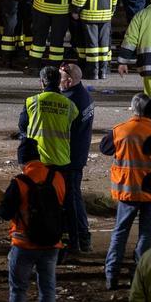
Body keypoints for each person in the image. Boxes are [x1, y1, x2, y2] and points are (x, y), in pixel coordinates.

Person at [0, 138, 66, 302]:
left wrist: (0, 205)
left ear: (22, 161)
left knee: (18, 290)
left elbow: (5, 213)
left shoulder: (19, 182)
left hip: (24, 245)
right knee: (48, 290)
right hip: (52, 244)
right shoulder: (58, 178)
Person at [101, 93, 151, 290]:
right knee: (146, 235)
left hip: (127, 192)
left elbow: (105, 148)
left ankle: (112, 274)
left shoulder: (120, 131)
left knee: (120, 232)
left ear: (133, 109)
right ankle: (139, 275)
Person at [58, 62, 94, 254]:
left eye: (61, 79)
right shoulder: (84, 95)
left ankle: (81, 236)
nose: (58, 82)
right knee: (73, 195)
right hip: (77, 154)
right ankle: (80, 235)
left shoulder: (71, 100)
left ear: (70, 81)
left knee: (72, 197)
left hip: (70, 157)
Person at [18, 66, 79, 169]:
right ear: (59, 81)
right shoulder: (70, 106)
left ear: (42, 82)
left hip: (37, 159)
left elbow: (22, 126)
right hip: (61, 159)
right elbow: (75, 131)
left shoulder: (32, 101)